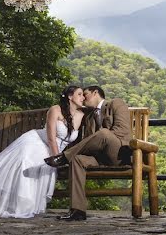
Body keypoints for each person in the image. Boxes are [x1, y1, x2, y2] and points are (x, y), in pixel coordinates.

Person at [0, 85, 86, 218]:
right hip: (38, 142)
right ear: (69, 96)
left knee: (42, 162)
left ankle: (27, 205)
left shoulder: (81, 114)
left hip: (55, 151)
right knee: (27, 160)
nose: (83, 97)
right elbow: (51, 138)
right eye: (79, 94)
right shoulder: (55, 110)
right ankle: (16, 204)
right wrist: (57, 159)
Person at [44, 85, 131, 221]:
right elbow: (88, 142)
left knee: (104, 133)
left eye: (86, 94)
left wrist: (102, 138)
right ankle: (77, 210)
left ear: (95, 93)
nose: (83, 98)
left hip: (118, 153)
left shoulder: (116, 104)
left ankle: (63, 157)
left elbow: (122, 131)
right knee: (77, 159)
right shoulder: (89, 116)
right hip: (98, 158)